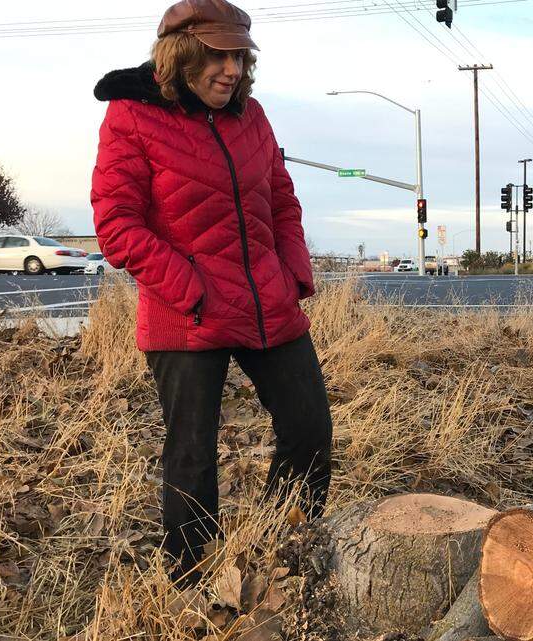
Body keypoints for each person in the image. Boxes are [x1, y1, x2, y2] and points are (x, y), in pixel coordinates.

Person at [90, 0, 332, 584]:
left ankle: (282, 550)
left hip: (267, 301)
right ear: (183, 55)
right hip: (186, 312)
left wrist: (293, 274)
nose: (231, 69)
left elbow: (282, 202)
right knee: (192, 452)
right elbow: (117, 224)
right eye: (218, 56)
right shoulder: (131, 115)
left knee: (309, 430)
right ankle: (192, 579)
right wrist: (192, 289)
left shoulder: (253, 117)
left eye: (240, 57)